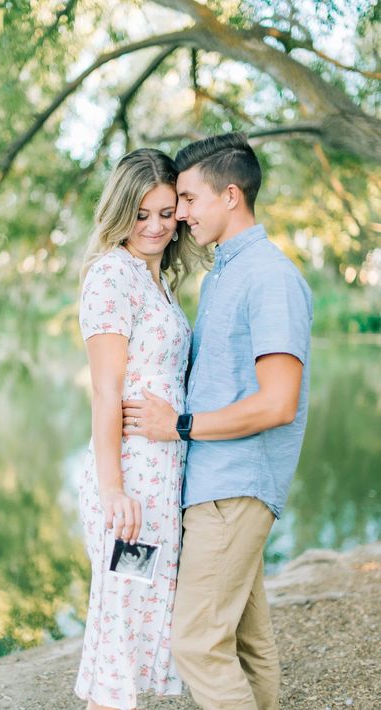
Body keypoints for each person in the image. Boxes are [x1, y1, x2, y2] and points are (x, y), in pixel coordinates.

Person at [122, 132, 313, 710]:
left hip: (234, 488)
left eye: (187, 199)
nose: (179, 214)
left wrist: (176, 425)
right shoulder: (223, 275)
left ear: (231, 196)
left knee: (197, 643)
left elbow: (278, 402)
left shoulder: (269, 277)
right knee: (248, 644)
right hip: (214, 486)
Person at [75, 148, 200, 710]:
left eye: (166, 213)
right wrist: (112, 490)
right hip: (130, 482)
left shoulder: (161, 284)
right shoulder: (111, 276)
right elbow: (106, 390)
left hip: (161, 475)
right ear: (120, 211)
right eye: (141, 213)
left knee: (143, 630)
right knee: (119, 640)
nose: (154, 226)